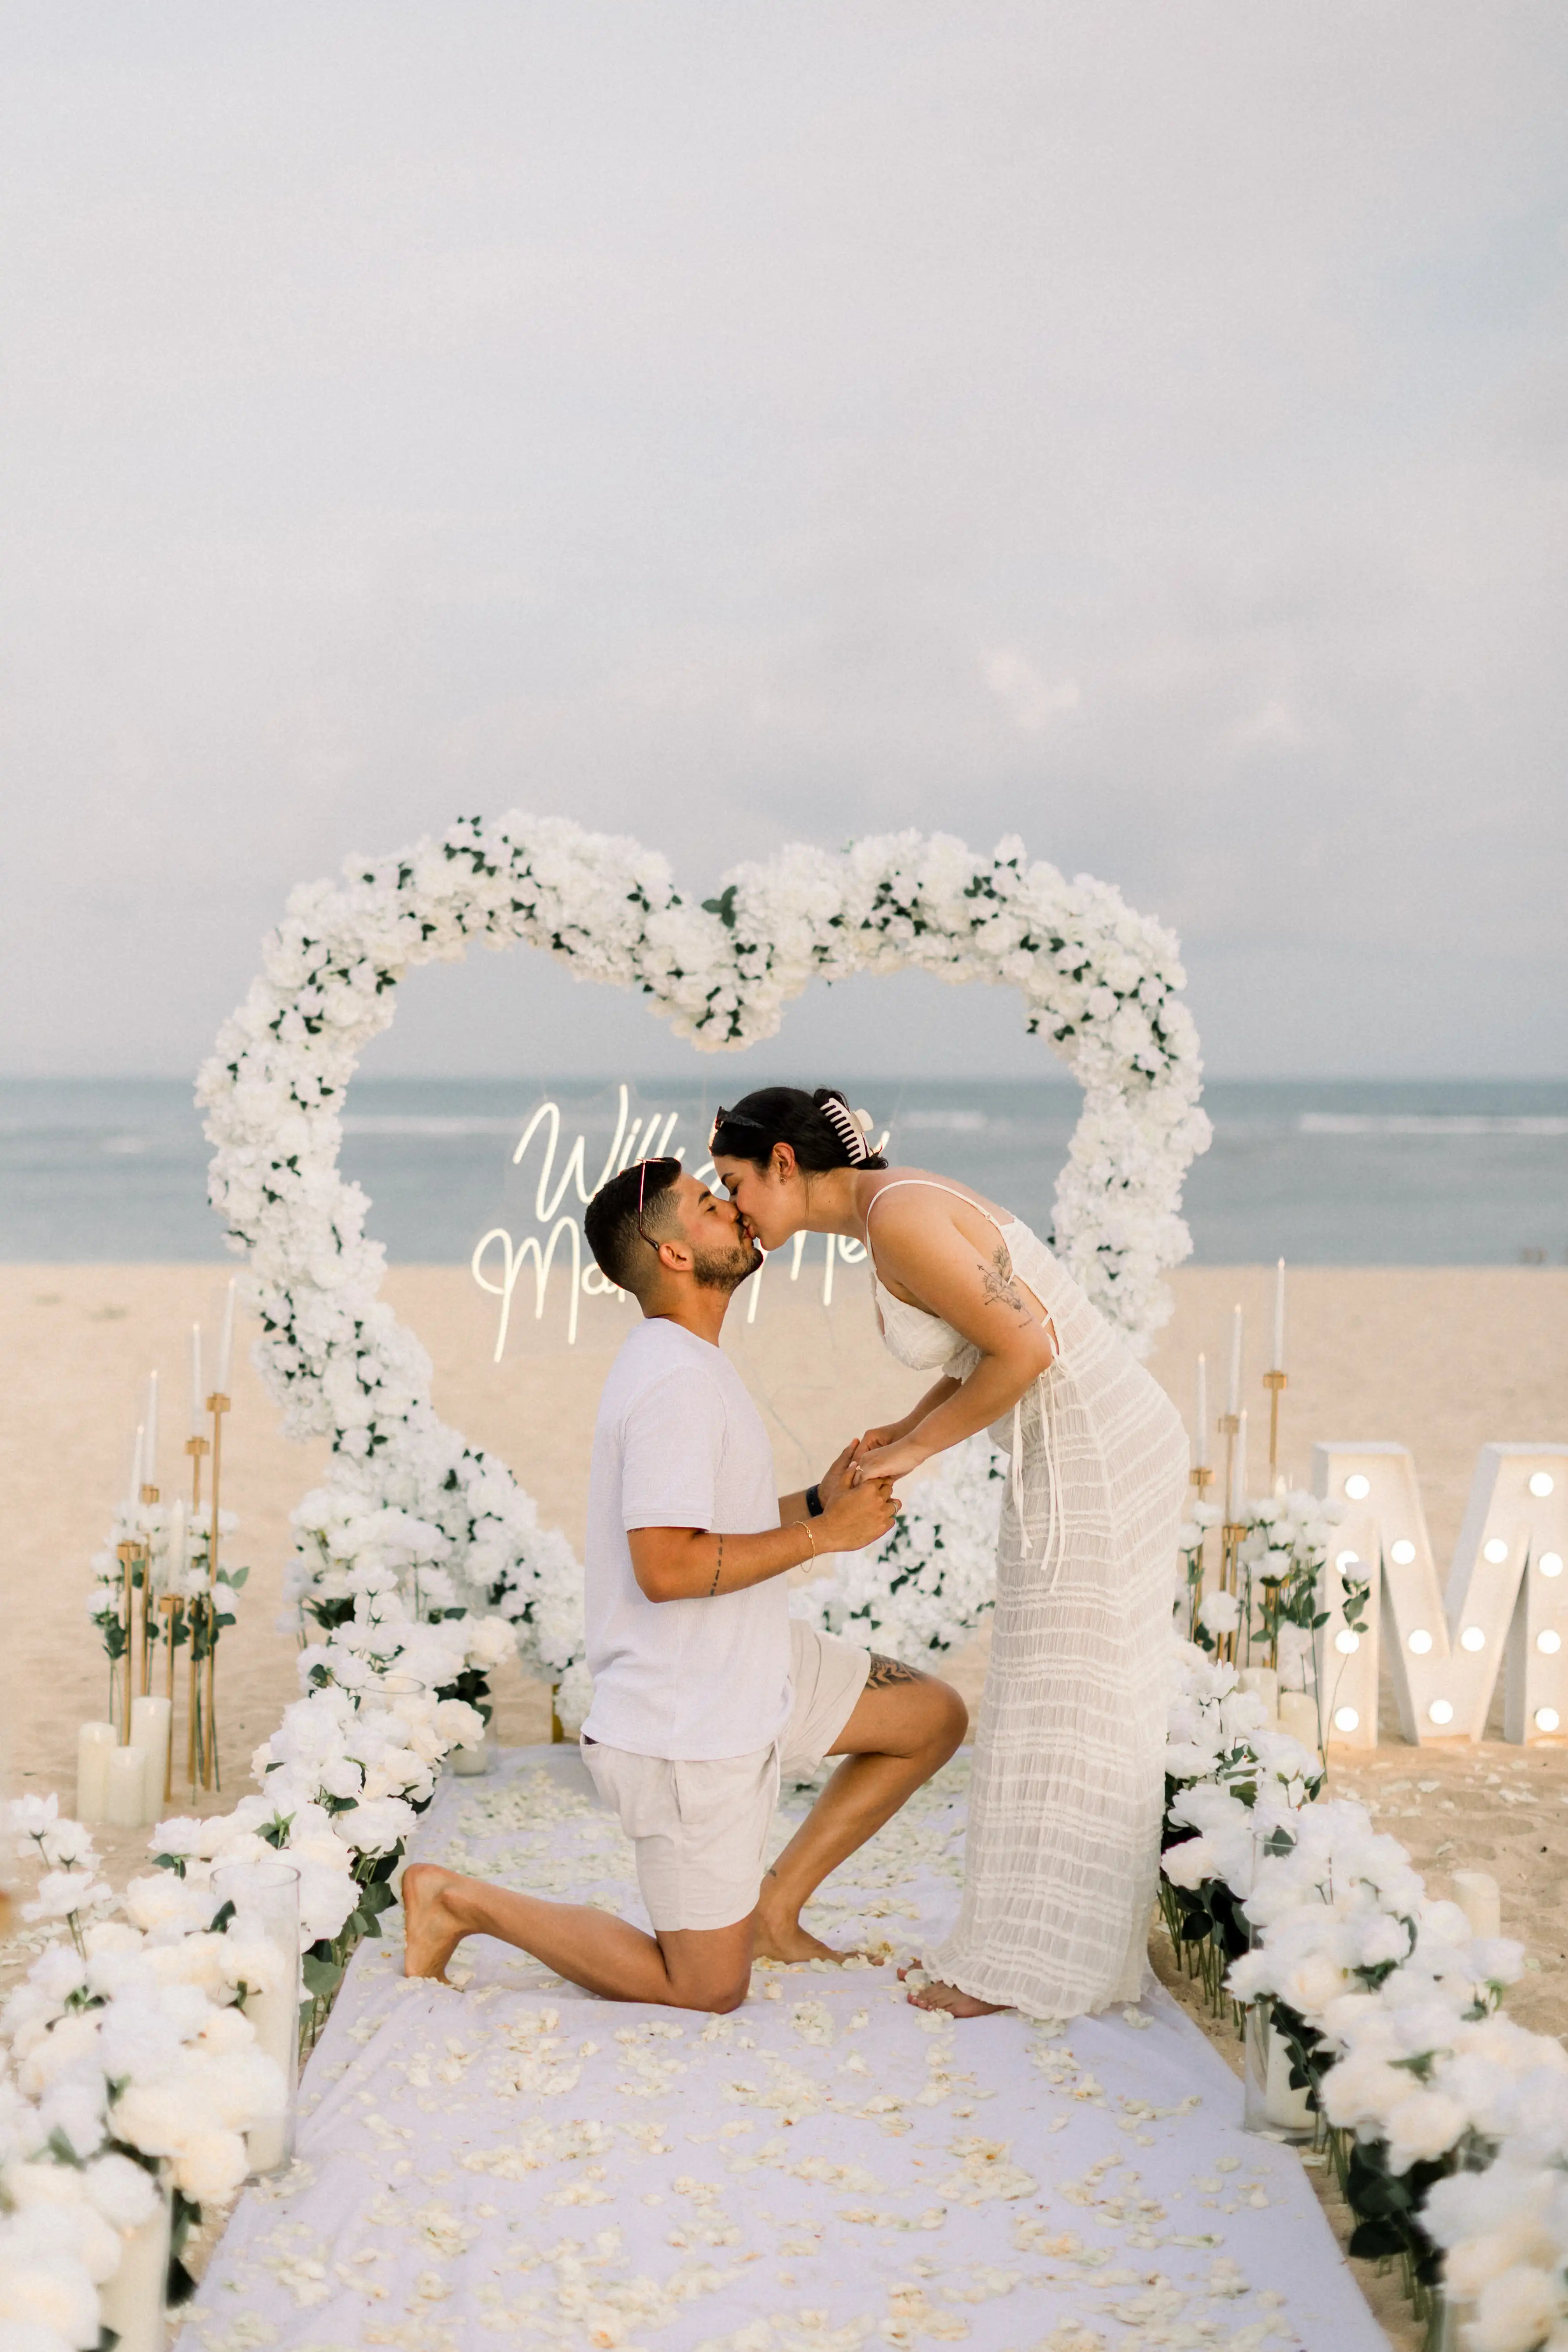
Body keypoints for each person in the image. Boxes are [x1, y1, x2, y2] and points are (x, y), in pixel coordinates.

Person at [402, 1155, 967, 2011]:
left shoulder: (689, 1361)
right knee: (705, 1987)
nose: (738, 1209)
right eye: (710, 1204)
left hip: (754, 1658)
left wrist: (820, 1498)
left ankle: (773, 1909)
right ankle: (457, 1900)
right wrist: (823, 1534)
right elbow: (665, 1566)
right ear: (671, 1252)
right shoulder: (671, 1380)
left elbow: (708, 1526)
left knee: (930, 1715)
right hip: (685, 1720)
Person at [711, 1086, 1188, 2023]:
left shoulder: (897, 1220)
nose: (733, 1208)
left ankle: (1030, 1969)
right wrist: (910, 1420)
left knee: (1068, 1696)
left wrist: (921, 1451)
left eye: (733, 1182)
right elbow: (982, 1352)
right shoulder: (891, 1211)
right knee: (1060, 1690)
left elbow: (1031, 1349)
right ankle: (1042, 1950)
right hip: (1083, 1444)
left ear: (784, 1163)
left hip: (1095, 1451)